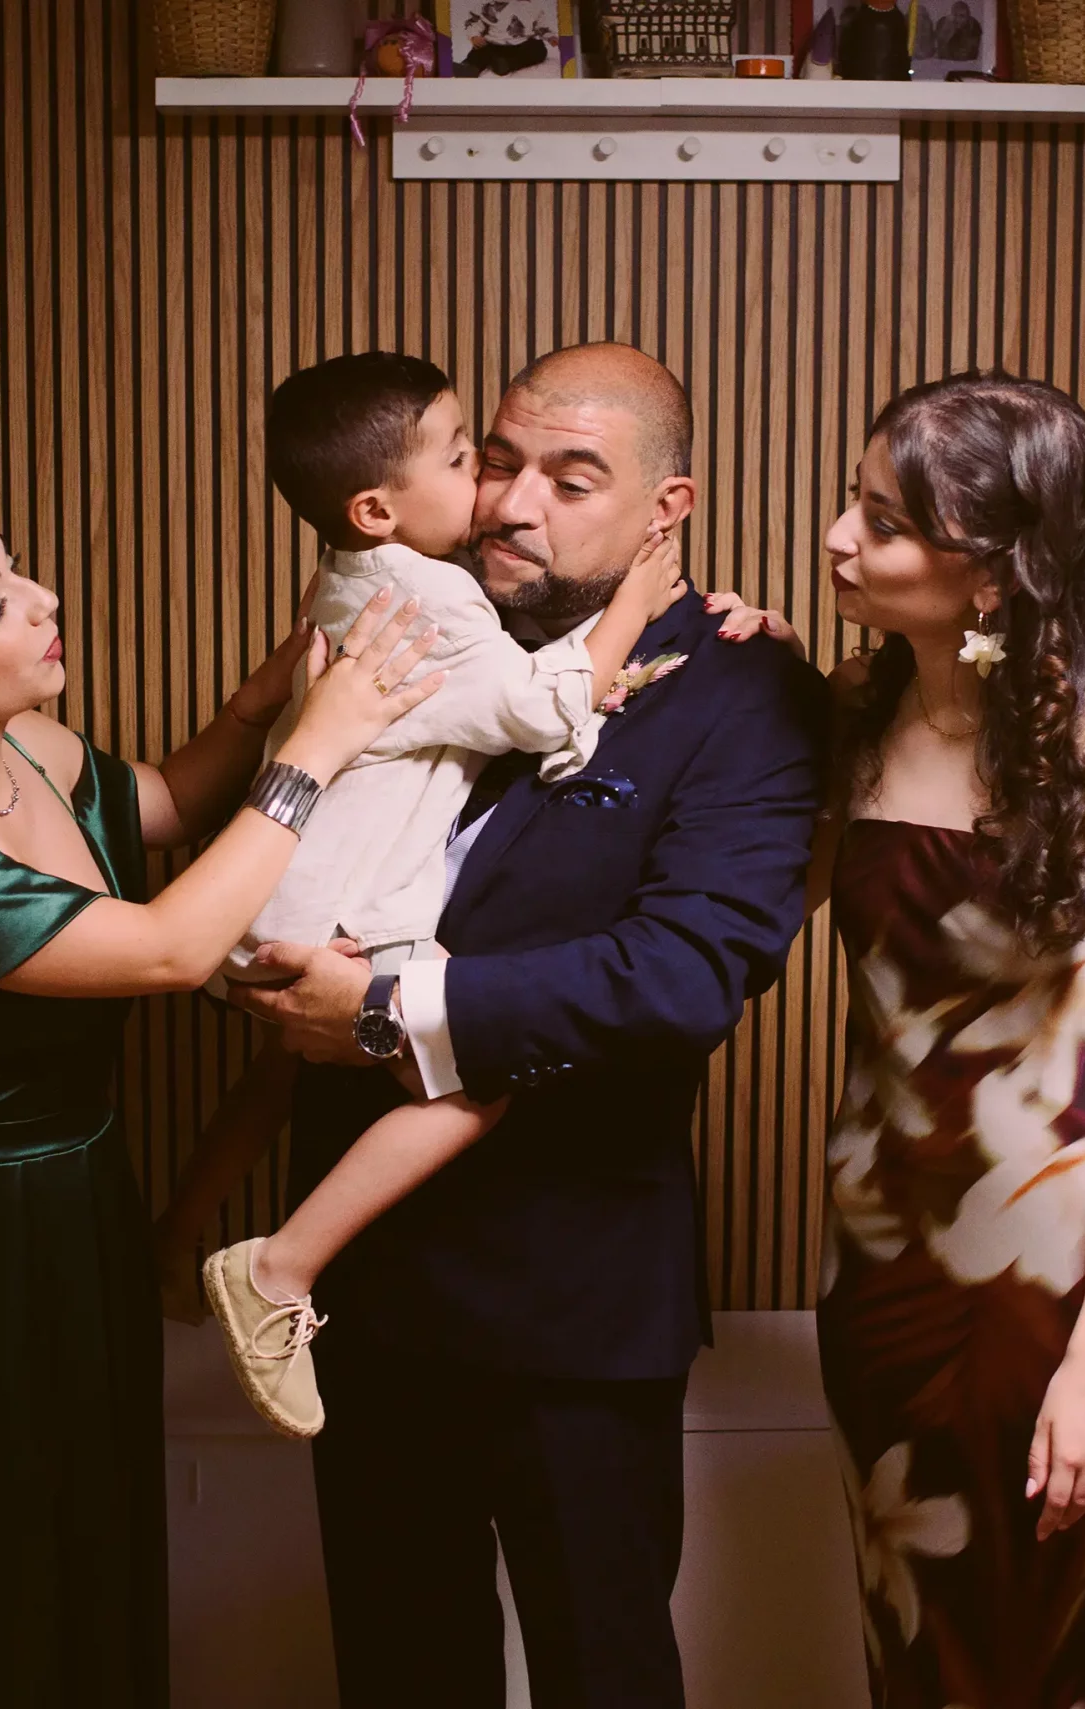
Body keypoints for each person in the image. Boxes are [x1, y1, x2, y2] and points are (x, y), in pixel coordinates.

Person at [0, 495, 441, 1706]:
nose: (44, 602)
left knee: (76, 1536)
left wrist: (266, 699)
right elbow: (171, 946)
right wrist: (312, 751)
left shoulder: (28, 748)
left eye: (18, 572)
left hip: (78, 1203)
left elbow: (162, 802)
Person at [232, 341, 829, 1707]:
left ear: (666, 509)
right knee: (397, 1673)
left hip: (577, 1306)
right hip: (363, 1295)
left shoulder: (740, 689)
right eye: (496, 462)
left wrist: (384, 1010)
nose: (511, 503)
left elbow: (685, 972)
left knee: (602, 1672)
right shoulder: (401, 622)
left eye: (571, 478)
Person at [714, 373, 1085, 1708]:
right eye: (852, 503)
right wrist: (739, 684)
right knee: (925, 1653)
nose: (836, 537)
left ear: (991, 573)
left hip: (1067, 1281)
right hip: (885, 1268)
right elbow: (746, 921)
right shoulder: (853, 723)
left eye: (881, 521)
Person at [173, 351, 685, 1439]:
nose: (497, 499)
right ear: (376, 507)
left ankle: (175, 1236)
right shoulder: (433, 595)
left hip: (287, 890)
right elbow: (537, 711)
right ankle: (275, 1268)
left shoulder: (351, 572)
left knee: (279, 1072)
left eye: (562, 480)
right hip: (332, 909)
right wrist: (637, 604)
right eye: (472, 462)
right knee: (475, 1069)